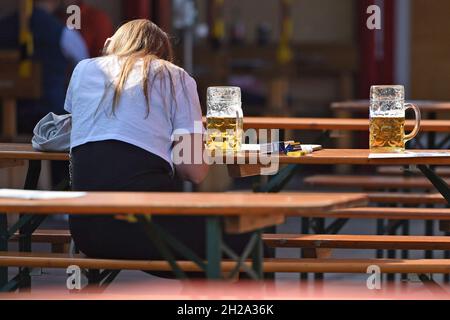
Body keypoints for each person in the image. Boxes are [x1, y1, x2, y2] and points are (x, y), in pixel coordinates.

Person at [66, 19, 244, 265]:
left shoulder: (83, 70)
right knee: (246, 242)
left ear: (111, 45)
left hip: (86, 233)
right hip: (146, 230)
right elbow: (194, 171)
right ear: (164, 55)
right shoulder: (175, 76)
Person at [0, 0, 89, 133]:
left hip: (4, 120)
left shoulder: (3, 27)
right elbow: (85, 71)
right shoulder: (63, 33)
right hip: (51, 124)